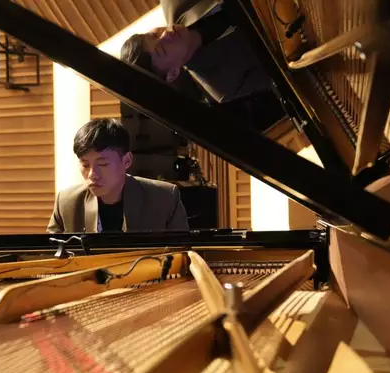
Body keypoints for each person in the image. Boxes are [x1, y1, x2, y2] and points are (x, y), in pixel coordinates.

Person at [120, 0, 286, 131]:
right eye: (162, 49)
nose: (166, 33)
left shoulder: (174, 2)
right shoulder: (224, 85)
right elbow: (285, 66)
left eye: (154, 34)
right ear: (173, 73)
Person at [47, 118, 189, 233]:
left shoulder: (164, 198)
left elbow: (183, 256)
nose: (92, 174)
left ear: (126, 160)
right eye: (85, 165)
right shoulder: (66, 202)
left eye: (102, 164)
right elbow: (48, 257)